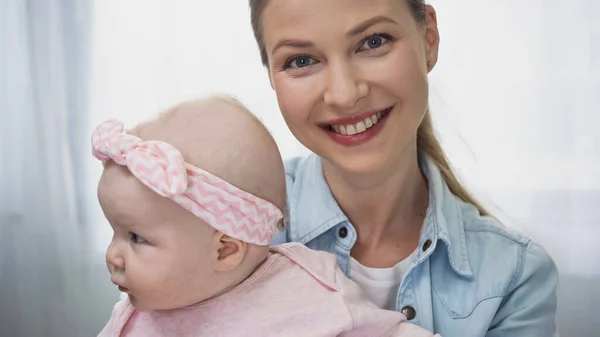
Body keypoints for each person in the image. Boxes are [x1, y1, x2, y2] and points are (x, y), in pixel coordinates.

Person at [248, 0, 559, 336]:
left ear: (429, 38)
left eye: (374, 41)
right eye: (302, 60)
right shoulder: (230, 232)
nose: (344, 94)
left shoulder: (517, 279)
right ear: (270, 76)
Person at [95, 96, 440, 337]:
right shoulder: (131, 320)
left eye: (136, 238)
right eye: (116, 233)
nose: (112, 256)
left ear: (225, 249)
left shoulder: (308, 289)